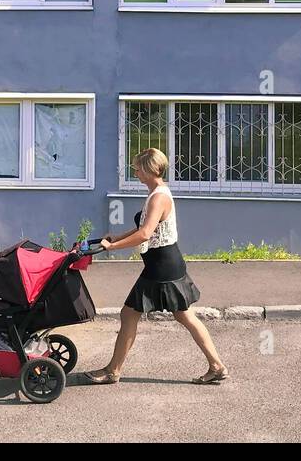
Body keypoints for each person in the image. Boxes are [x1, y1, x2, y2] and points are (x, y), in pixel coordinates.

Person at [84, 148, 228, 385]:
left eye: (138, 167)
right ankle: (217, 365)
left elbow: (145, 234)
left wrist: (112, 248)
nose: (135, 171)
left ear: (150, 170)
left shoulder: (159, 196)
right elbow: (144, 226)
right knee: (184, 316)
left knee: (130, 314)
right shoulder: (156, 193)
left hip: (161, 267)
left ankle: (113, 370)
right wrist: (117, 237)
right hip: (165, 263)